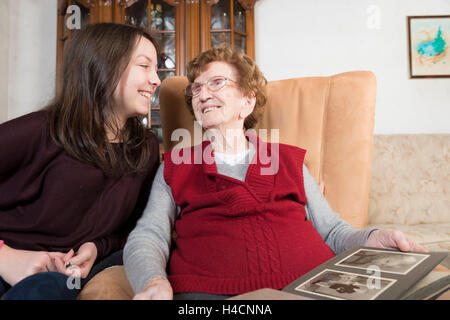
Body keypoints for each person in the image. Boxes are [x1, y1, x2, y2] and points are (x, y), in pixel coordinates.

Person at [123, 44, 426, 300]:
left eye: (216, 83)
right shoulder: (177, 165)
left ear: (247, 101)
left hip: (313, 287)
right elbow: (149, 235)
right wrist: (152, 280)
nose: (201, 94)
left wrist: (375, 236)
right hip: (211, 294)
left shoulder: (287, 160)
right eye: (196, 88)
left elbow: (334, 231)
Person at [0, 23, 161, 300]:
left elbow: (137, 228)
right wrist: (5, 256)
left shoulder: (145, 148)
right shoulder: (39, 130)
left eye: (156, 69)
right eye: (144, 66)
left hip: (58, 278)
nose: (156, 80)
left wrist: (97, 247)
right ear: (104, 67)